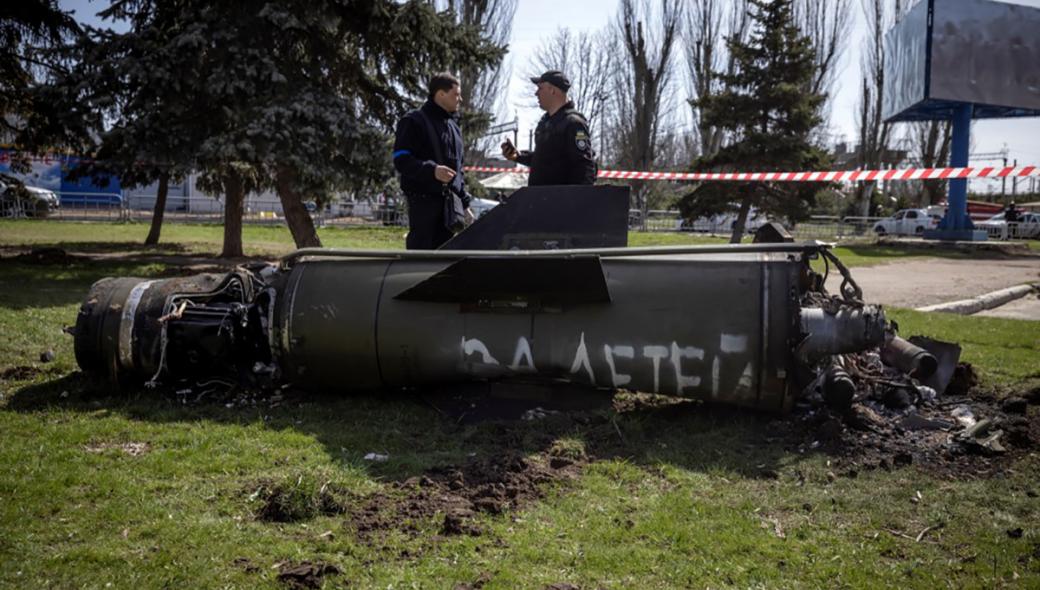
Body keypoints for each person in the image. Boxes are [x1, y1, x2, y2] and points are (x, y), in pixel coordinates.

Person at [393, 72, 474, 249]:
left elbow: (458, 171)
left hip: (450, 207)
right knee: (420, 257)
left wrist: (464, 203)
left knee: (445, 258)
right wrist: (432, 171)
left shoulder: (454, 128)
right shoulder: (413, 121)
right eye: (456, 94)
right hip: (422, 201)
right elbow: (401, 159)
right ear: (440, 94)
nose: (460, 99)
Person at [501, 70, 597, 186]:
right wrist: (518, 156)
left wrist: (576, 201)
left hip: (560, 201)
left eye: (540, 88)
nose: (536, 93)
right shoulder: (545, 123)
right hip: (541, 198)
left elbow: (584, 167)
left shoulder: (573, 123)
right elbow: (546, 161)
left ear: (552, 90)